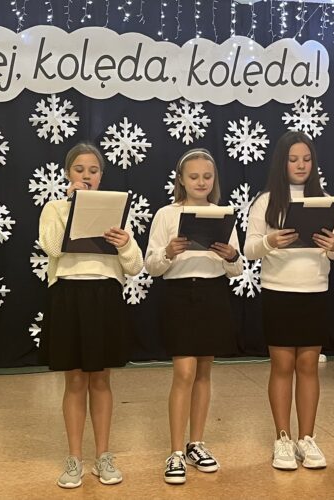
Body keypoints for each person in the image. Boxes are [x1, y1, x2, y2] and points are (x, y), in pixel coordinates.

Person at [38, 142, 144, 488]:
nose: (86, 176)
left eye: (93, 170)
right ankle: (74, 459)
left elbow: (135, 266)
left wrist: (124, 243)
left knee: (100, 380)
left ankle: (103, 456)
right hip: (68, 295)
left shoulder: (115, 209)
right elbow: (52, 248)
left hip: (104, 296)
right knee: (74, 381)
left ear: (101, 175)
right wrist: (72, 207)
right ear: (67, 173)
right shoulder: (54, 208)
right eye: (79, 169)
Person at [244, 131, 334, 470]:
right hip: (279, 291)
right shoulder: (266, 201)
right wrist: (271, 241)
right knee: (283, 366)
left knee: (308, 367)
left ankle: (307, 438)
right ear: (281, 163)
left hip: (314, 291)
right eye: (293, 159)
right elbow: (249, 248)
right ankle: (283, 439)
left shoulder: (325, 199)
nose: (301, 165)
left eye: (306, 159)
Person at [144, 148, 243, 485]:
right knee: (184, 372)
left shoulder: (222, 214)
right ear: (181, 180)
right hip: (179, 294)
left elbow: (237, 269)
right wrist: (168, 252)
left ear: (214, 180)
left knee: (203, 371)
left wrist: (231, 255)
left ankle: (196, 444)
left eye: (207, 176)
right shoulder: (166, 214)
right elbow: (151, 266)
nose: (201, 182)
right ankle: (175, 450)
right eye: (194, 176)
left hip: (213, 293)